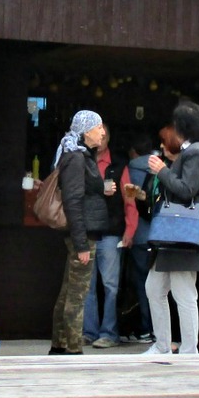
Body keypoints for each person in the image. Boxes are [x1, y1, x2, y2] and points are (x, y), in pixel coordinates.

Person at [144, 101, 199, 355]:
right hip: (176, 232)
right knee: (155, 289)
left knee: (184, 294)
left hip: (182, 231)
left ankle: (188, 350)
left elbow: (187, 190)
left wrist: (162, 170)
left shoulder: (196, 152)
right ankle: (163, 346)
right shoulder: (196, 150)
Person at [49, 110, 109, 355]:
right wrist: (82, 243)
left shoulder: (80, 154)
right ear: (86, 131)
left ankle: (60, 344)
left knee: (68, 290)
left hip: (83, 232)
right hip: (83, 234)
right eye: (99, 127)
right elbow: (73, 201)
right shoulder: (76, 157)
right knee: (77, 294)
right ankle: (73, 348)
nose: (103, 132)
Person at [82, 124, 132, 349]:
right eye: (97, 135)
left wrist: (130, 229)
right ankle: (89, 332)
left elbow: (129, 198)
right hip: (88, 231)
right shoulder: (84, 160)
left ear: (108, 138)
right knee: (87, 285)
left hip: (112, 232)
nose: (99, 139)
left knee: (111, 285)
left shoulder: (119, 165)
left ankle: (109, 333)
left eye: (103, 136)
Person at [119, 134, 157, 344]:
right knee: (162, 284)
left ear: (133, 151)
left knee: (142, 282)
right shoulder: (160, 169)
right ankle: (161, 329)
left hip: (139, 235)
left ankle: (145, 327)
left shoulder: (129, 171)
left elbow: (129, 203)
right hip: (159, 234)